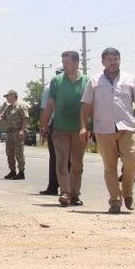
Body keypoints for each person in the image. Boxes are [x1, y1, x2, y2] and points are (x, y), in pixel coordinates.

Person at [80, 47, 135, 214]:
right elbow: (86, 105)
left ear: (120, 60)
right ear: (103, 62)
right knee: (110, 167)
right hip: (103, 129)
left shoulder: (130, 79)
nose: (112, 62)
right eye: (109, 59)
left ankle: (127, 192)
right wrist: (84, 127)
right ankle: (115, 200)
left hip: (127, 127)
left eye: (115, 58)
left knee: (131, 161)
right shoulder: (95, 81)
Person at [40, 52, 88, 207]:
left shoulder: (87, 81)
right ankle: (65, 193)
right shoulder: (56, 81)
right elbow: (50, 104)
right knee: (61, 162)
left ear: (76, 63)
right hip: (60, 128)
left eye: (67, 62)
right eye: (63, 62)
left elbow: (90, 106)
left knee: (77, 164)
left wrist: (88, 127)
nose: (65, 65)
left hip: (79, 129)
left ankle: (75, 194)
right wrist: (44, 124)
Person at [0, 90, 29, 180]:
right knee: (9, 153)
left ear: (13, 95)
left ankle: (21, 172)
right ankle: (12, 171)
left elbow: (25, 119)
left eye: (8, 96)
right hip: (9, 133)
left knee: (19, 153)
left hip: (18, 133)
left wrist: (22, 130)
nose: (6, 98)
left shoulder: (21, 105)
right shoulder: (8, 107)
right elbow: (1, 117)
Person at [38, 67, 64, 195]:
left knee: (65, 158)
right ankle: (53, 186)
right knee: (55, 157)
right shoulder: (50, 87)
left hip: (68, 124)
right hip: (54, 124)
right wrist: (43, 127)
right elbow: (44, 109)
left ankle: (66, 187)